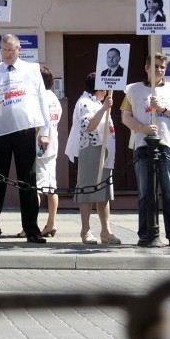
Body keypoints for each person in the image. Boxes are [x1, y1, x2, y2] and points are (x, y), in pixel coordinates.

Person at [0, 34, 50, 244]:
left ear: (19, 49)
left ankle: (31, 229)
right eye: (4, 50)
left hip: (25, 129)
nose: (8, 54)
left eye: (11, 50)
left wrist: (44, 131)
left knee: (27, 181)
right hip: (0, 131)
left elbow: (41, 99)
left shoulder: (32, 69)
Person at [121, 52, 170, 247]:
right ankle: (145, 234)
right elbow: (126, 117)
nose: (159, 70)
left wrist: (163, 108)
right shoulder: (133, 90)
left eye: (162, 67)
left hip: (168, 145)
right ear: (147, 68)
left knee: (169, 193)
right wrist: (143, 129)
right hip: (143, 146)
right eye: (156, 66)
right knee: (145, 193)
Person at [63, 73, 120, 245]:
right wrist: (104, 108)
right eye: (105, 86)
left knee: (104, 193)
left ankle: (105, 231)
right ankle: (85, 230)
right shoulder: (85, 102)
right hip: (90, 149)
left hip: (105, 150)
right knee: (87, 190)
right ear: (98, 87)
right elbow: (89, 126)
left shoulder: (97, 102)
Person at [35, 65, 62, 237]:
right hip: (53, 146)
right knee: (51, 186)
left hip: (39, 147)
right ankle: (51, 223)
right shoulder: (54, 98)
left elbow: (41, 122)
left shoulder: (40, 97)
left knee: (35, 188)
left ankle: (30, 225)